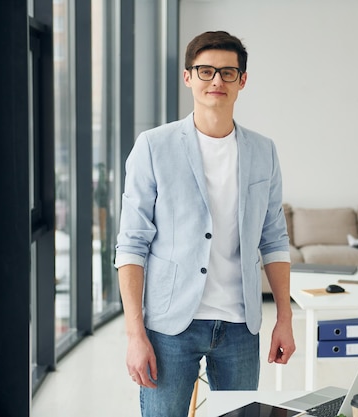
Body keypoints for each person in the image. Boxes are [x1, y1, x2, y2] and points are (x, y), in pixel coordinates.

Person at [115, 30, 296, 416]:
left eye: (228, 73)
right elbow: (132, 243)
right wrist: (135, 333)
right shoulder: (153, 146)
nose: (217, 81)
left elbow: (274, 238)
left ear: (242, 81)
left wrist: (284, 317)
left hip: (240, 327)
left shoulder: (264, 151)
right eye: (206, 71)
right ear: (188, 77)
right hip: (169, 327)